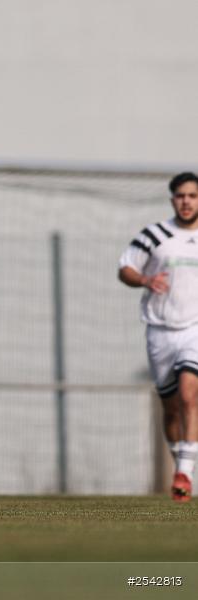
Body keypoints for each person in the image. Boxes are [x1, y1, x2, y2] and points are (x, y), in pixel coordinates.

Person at [119, 172, 198, 503]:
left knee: (189, 394)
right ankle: (181, 463)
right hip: (160, 331)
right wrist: (145, 280)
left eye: (192, 196)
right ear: (172, 200)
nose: (186, 201)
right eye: (181, 196)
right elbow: (126, 268)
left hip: (194, 329)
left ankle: (184, 474)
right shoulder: (155, 235)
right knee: (171, 408)